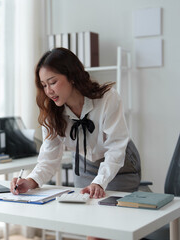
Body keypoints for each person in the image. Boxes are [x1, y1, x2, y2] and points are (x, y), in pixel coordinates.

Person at [11, 47, 141, 200]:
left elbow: (116, 147)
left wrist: (99, 182)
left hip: (120, 163)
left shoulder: (107, 99)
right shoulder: (51, 113)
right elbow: (48, 159)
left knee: (114, 214)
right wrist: (30, 181)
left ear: (72, 76)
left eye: (52, 82)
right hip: (85, 166)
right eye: (44, 85)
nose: (48, 91)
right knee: (84, 214)